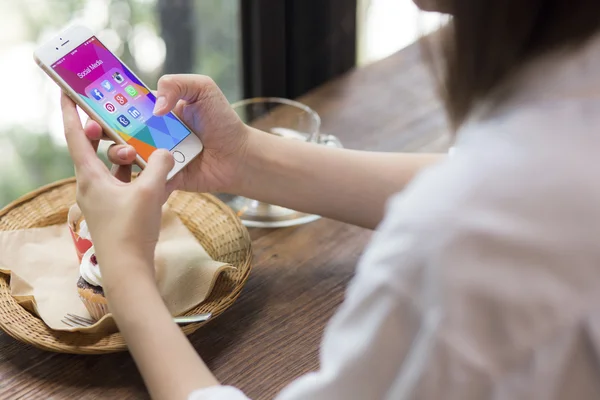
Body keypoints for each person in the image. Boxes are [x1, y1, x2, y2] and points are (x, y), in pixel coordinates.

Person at [61, 1, 600, 399]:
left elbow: (481, 208)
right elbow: (492, 180)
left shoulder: (460, 246)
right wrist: (246, 159)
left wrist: (126, 268)